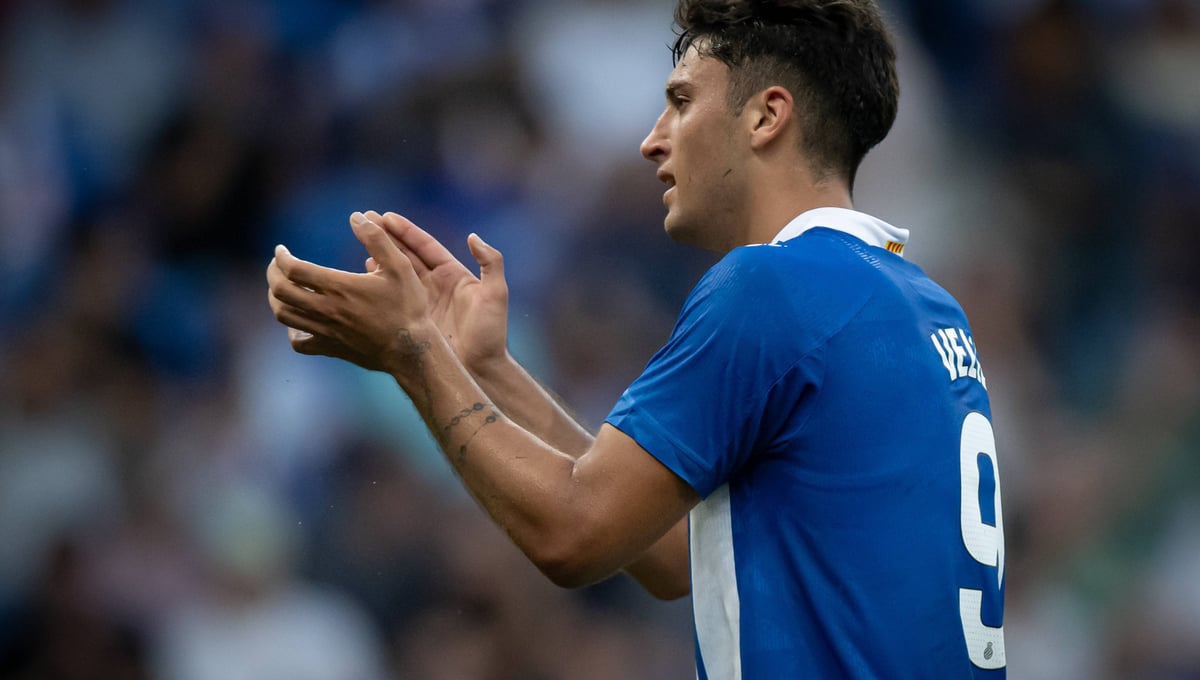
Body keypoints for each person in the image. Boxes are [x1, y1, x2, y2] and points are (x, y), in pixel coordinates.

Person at [265, 0, 1008, 676]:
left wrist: (413, 355)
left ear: (766, 116)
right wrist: (484, 368)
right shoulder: (925, 305)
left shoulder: (771, 286)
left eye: (681, 102)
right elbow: (675, 554)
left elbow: (573, 535)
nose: (653, 141)